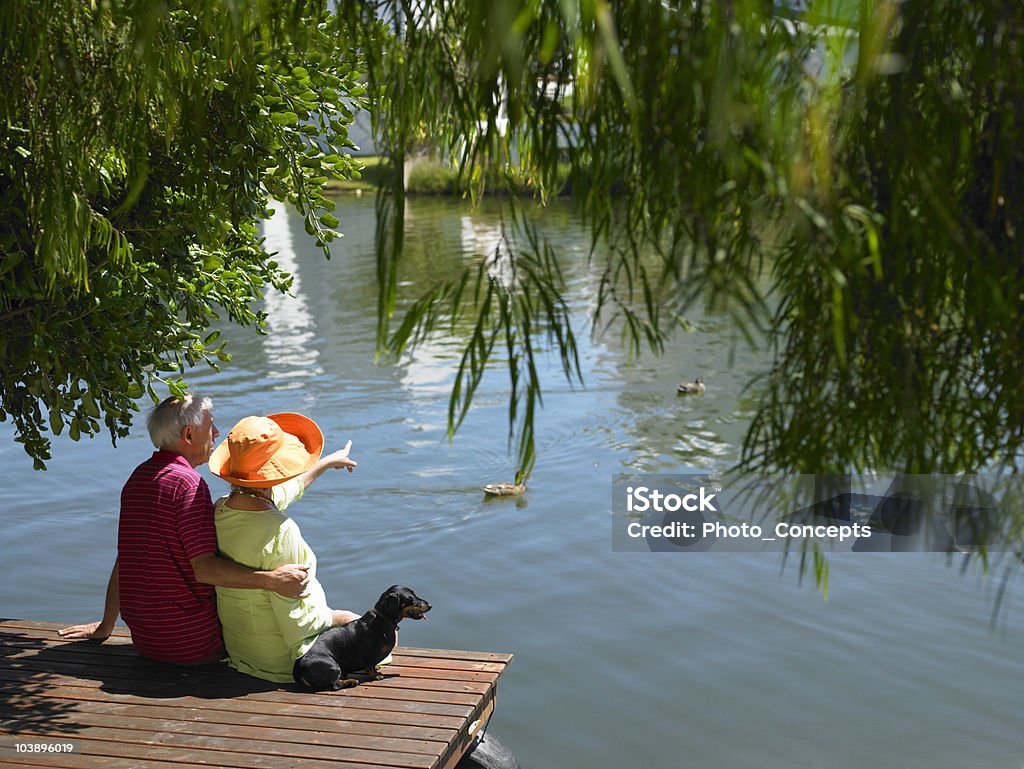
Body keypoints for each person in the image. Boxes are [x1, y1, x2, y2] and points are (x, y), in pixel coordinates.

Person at [58, 394, 311, 665]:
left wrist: (106, 626)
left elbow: (126, 559)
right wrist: (271, 579)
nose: (216, 433)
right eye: (210, 425)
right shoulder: (188, 484)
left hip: (148, 640)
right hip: (193, 644)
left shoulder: (139, 478)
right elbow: (204, 569)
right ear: (188, 435)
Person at [208, 412, 361, 682]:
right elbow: (296, 623)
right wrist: (336, 617)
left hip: (243, 651)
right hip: (281, 661)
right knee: (381, 634)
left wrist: (327, 463)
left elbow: (284, 491)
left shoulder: (220, 510)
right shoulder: (281, 530)